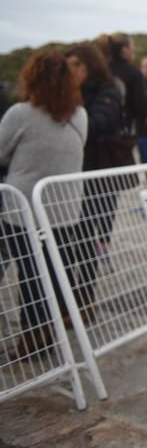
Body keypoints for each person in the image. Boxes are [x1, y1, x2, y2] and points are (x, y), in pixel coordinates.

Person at [0, 51, 87, 358]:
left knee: (29, 274)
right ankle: (44, 335)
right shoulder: (79, 115)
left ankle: (33, 339)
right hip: (65, 208)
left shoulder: (20, 114)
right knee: (51, 270)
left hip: (22, 208)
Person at [65, 42, 129, 316]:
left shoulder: (106, 91)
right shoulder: (70, 93)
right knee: (69, 239)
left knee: (86, 237)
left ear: (89, 65)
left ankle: (84, 299)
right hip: (73, 173)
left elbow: (99, 123)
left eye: (76, 64)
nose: (71, 71)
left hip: (95, 175)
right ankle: (69, 301)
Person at [97, 32, 145, 146]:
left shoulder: (101, 71)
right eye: (132, 46)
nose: (134, 50)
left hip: (99, 134)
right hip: (123, 135)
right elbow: (140, 107)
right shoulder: (133, 73)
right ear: (124, 49)